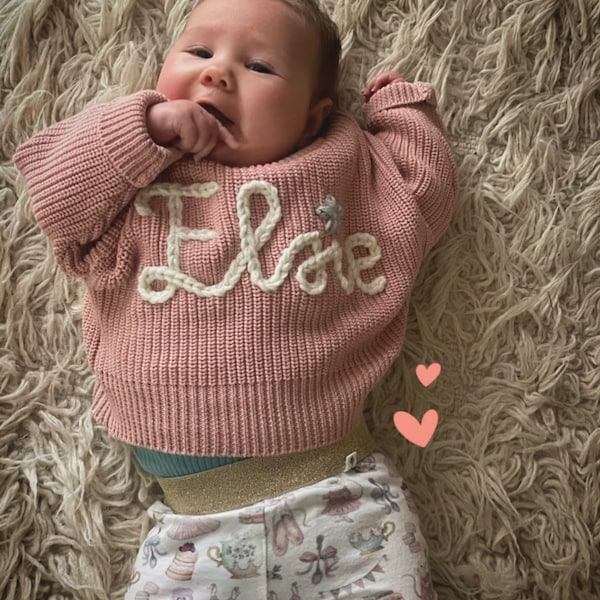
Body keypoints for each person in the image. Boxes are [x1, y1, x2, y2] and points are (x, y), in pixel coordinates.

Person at [14, 0, 457, 597]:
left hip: (346, 508)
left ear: (310, 119)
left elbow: (420, 196)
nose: (218, 72)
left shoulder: (336, 170)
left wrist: (404, 111)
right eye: (198, 52)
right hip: (188, 536)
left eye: (260, 67)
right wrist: (142, 131)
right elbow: (53, 195)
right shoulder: (137, 178)